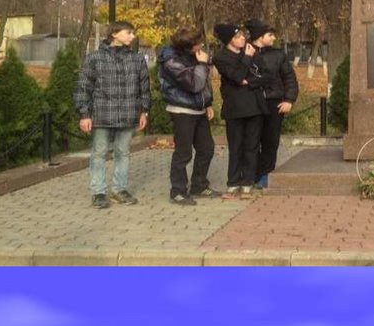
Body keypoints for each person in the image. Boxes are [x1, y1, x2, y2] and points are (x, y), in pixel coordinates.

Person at [74, 21, 150, 209]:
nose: (132, 36)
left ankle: (119, 189)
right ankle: (98, 192)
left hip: (128, 113)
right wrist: (84, 114)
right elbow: (83, 87)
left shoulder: (137, 59)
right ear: (114, 34)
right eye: (128, 32)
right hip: (102, 114)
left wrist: (144, 111)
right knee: (99, 153)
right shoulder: (94, 58)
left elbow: (144, 88)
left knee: (123, 152)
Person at [157, 26, 220, 206]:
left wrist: (207, 103)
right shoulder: (171, 61)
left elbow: (205, 83)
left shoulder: (193, 56)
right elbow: (194, 84)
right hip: (182, 110)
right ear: (187, 46)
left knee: (206, 149)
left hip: (198, 109)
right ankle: (177, 191)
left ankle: (199, 185)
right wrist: (202, 64)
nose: (201, 46)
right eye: (197, 43)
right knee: (183, 153)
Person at [211, 23, 267, 199]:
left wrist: (248, 81)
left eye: (243, 35)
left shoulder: (250, 52)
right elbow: (236, 76)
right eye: (238, 37)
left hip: (254, 106)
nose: (243, 39)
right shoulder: (221, 57)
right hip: (234, 108)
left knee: (251, 146)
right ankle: (233, 182)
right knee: (235, 146)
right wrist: (247, 60)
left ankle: (248, 182)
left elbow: (264, 75)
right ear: (229, 40)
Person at [245, 18, 299, 189]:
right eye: (270, 35)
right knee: (252, 141)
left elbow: (289, 78)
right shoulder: (244, 52)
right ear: (259, 36)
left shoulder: (278, 55)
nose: (274, 38)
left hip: (274, 103)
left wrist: (289, 99)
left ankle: (266, 174)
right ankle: (251, 175)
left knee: (270, 141)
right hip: (252, 102)